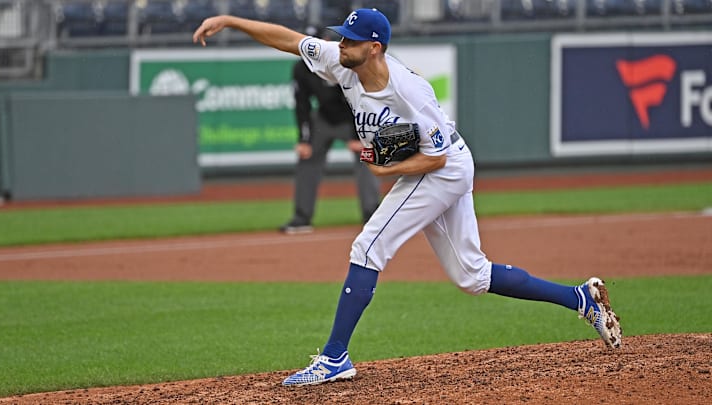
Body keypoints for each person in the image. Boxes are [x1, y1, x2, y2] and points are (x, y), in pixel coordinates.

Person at [193, 8, 622, 387]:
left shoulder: (409, 91)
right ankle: (580, 298)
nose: (340, 44)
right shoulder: (341, 61)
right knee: (472, 276)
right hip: (440, 163)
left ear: (374, 48)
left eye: (350, 39)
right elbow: (288, 39)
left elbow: (435, 161)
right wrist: (230, 21)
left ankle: (334, 357)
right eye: (341, 36)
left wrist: (386, 169)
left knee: (368, 246)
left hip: (444, 166)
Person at [280, 26, 380, 234]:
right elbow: (302, 105)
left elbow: (361, 100)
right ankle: (301, 217)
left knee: (367, 158)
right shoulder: (301, 68)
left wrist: (357, 135)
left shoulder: (342, 61)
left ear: (325, 42)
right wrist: (304, 139)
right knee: (307, 158)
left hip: (353, 118)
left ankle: (372, 215)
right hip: (324, 118)